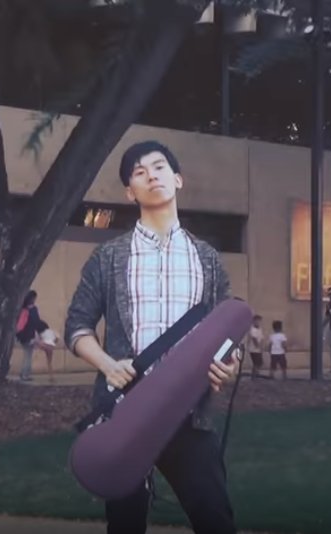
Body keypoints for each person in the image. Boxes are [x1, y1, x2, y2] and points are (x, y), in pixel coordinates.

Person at [65, 140, 238, 534]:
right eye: (139, 172)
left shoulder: (207, 258)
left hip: (187, 415)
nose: (151, 175)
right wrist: (108, 365)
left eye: (159, 167)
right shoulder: (109, 258)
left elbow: (227, 335)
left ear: (177, 180)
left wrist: (226, 365)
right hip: (125, 412)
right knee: (125, 524)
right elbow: (77, 327)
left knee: (216, 519)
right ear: (131, 191)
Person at [14, 290, 45, 382]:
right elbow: (37, 322)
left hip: (22, 336)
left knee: (26, 354)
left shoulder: (23, 309)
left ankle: (23, 373)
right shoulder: (33, 310)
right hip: (30, 336)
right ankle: (25, 374)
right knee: (28, 356)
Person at [247, 314, 265, 379]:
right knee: (256, 363)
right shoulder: (252, 329)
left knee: (259, 363)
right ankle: (254, 376)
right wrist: (258, 347)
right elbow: (254, 339)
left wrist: (262, 346)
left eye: (259, 321)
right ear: (254, 321)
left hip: (258, 349)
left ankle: (256, 374)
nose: (258, 322)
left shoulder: (259, 329)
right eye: (257, 321)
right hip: (254, 349)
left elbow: (261, 338)